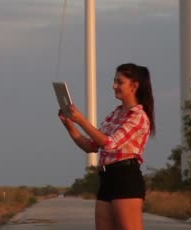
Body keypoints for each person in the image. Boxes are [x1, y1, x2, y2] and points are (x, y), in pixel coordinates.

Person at [59, 63, 155, 230]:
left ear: (134, 86)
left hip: (126, 178)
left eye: (119, 82)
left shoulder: (138, 117)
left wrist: (81, 120)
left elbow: (110, 144)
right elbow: (91, 146)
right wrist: (70, 126)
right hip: (107, 178)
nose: (114, 86)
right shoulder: (115, 114)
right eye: (114, 81)